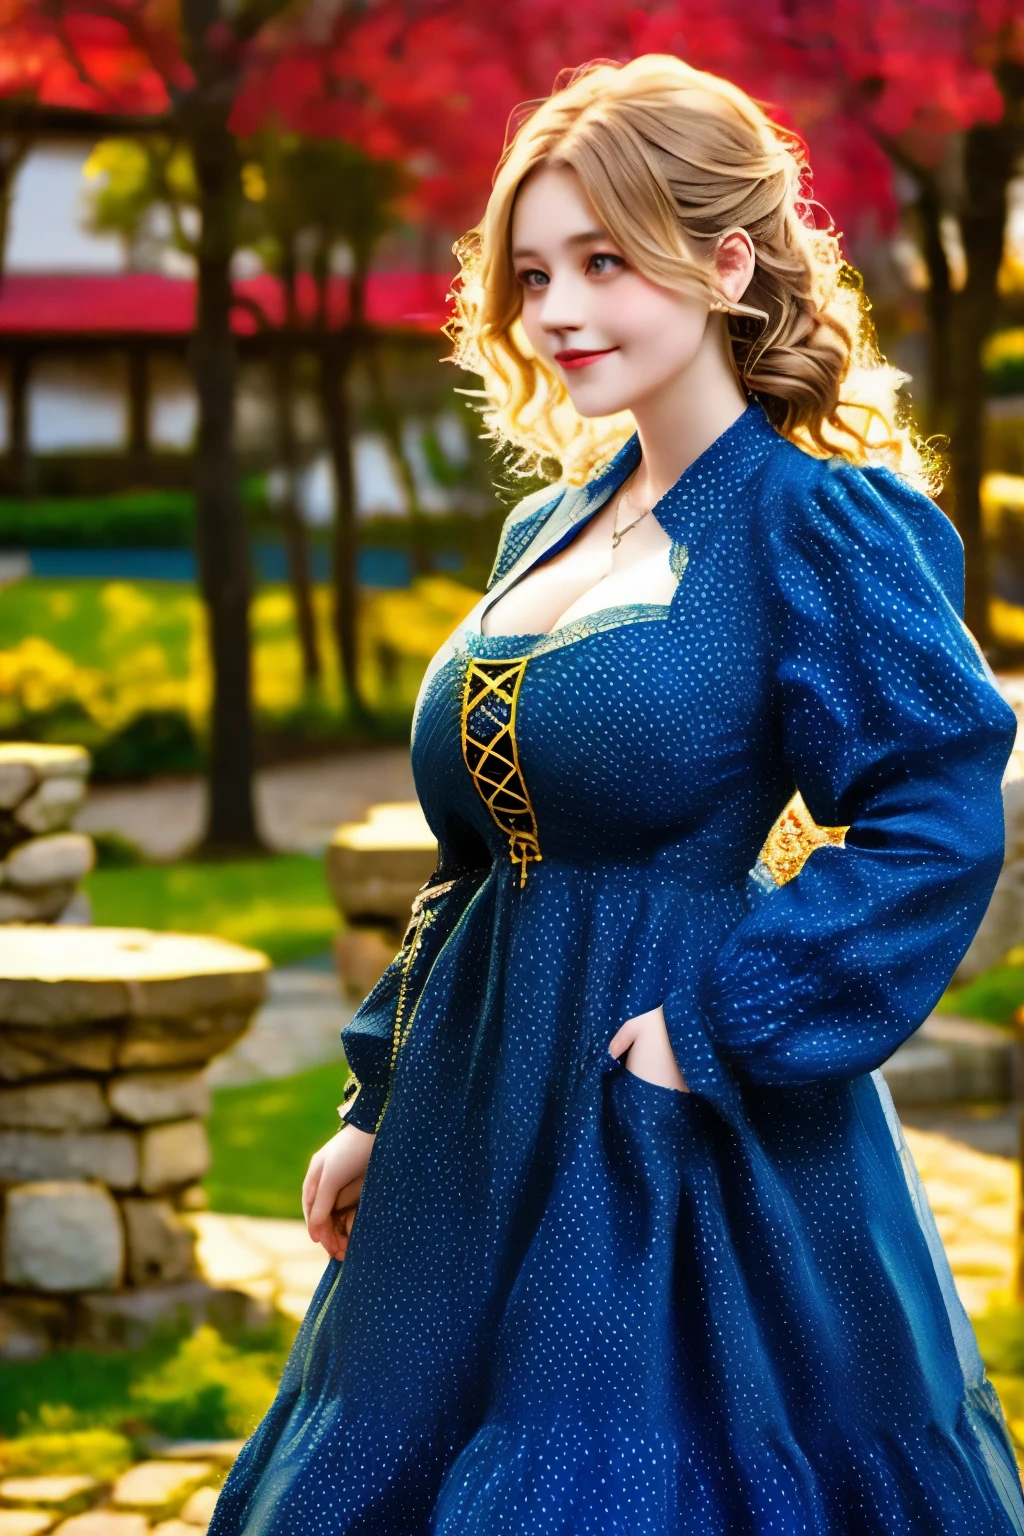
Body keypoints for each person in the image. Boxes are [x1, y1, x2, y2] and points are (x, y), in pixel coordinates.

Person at [208, 54, 1024, 1535]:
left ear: (721, 264)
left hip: (669, 1121)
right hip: (468, 1133)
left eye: (604, 261)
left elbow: (937, 811)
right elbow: (475, 854)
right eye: (531, 274)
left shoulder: (817, 523)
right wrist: (378, 1098)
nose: (559, 310)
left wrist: (721, 1028)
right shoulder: (548, 521)